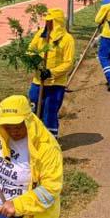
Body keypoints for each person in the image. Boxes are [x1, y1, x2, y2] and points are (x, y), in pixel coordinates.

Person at [28, 8, 75, 138]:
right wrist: (37, 63)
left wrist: (51, 72)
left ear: (57, 22)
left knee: (50, 111)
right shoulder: (40, 35)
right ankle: (34, 136)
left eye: (51, 22)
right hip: (38, 81)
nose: (47, 24)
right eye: (47, 21)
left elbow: (68, 63)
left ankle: (50, 140)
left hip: (56, 84)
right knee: (33, 107)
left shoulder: (67, 39)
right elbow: (31, 49)